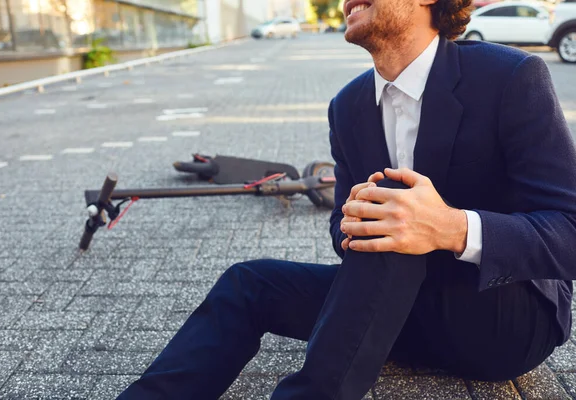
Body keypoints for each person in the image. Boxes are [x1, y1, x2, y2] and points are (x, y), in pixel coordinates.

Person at [117, 0, 576, 398]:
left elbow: (569, 230)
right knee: (248, 285)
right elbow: (339, 225)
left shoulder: (510, 78)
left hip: (504, 323)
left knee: (392, 205)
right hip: (399, 315)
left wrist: (449, 227)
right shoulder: (348, 106)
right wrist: (353, 223)